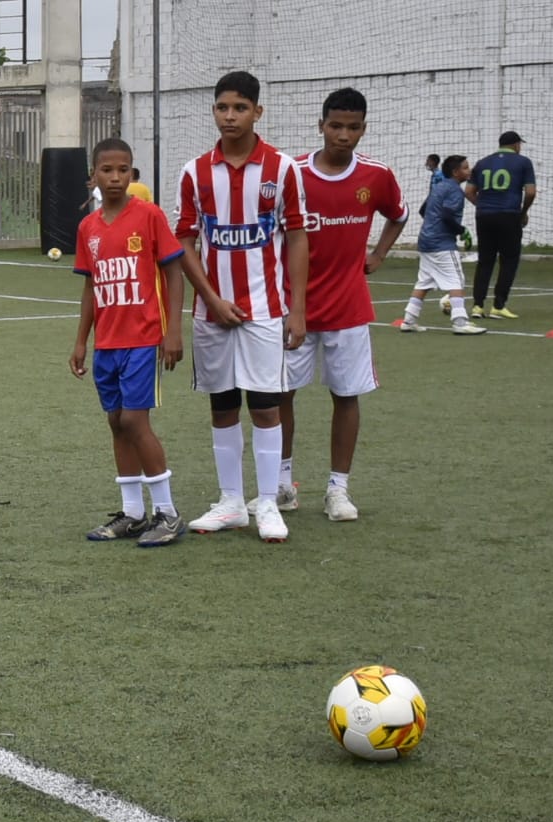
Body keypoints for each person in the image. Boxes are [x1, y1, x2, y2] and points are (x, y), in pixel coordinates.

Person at [172, 70, 309, 543]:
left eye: (240, 108)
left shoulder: (282, 169)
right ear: (214, 110)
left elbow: (295, 237)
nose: (230, 117)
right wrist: (210, 298)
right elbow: (184, 242)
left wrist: (297, 309)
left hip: (267, 311)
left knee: (266, 407)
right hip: (213, 313)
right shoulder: (195, 172)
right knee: (223, 405)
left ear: (257, 111)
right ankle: (231, 501)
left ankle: (268, 501)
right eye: (222, 108)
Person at [269, 88, 411, 524]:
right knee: (279, 395)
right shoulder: (291, 173)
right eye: (336, 126)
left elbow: (399, 215)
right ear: (321, 125)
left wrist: (379, 255)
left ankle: (338, 489)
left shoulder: (377, 176)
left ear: (363, 129)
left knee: (346, 396)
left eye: (353, 127)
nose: (343, 135)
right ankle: (282, 483)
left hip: (349, 309)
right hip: (295, 309)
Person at [69, 138, 199, 547]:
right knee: (115, 421)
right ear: (93, 175)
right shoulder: (88, 228)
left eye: (123, 170)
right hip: (107, 343)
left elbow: (174, 273)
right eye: (106, 170)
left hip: (143, 339)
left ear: (132, 174)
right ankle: (132, 512)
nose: (115, 177)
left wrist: (173, 330)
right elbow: (91, 288)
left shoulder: (149, 216)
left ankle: (168, 513)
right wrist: (80, 342)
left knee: (134, 421)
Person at [399, 155, 487, 336]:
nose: (469, 171)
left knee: (424, 282)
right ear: (455, 172)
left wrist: (433, 224)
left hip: (425, 241)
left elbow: (423, 210)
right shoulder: (455, 190)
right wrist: (462, 231)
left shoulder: (438, 187)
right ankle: (460, 322)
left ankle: (409, 320)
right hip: (442, 244)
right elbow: (447, 216)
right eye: (465, 167)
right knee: (456, 280)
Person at [465, 131, 535, 319]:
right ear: (516, 144)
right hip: (508, 215)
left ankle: (477, 306)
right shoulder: (523, 162)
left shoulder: (483, 162)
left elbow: (469, 191)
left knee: (485, 261)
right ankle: (498, 305)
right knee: (509, 260)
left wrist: (483, 206)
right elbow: (530, 192)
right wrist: (523, 213)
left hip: (484, 216)